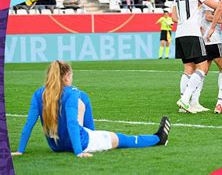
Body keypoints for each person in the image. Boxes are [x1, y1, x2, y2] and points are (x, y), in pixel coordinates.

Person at [11, 61, 170, 158]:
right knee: (122, 139)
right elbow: (72, 123)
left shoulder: (39, 93)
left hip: (56, 146)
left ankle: (91, 132)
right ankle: (158, 138)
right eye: (71, 75)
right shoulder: (71, 92)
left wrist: (20, 150)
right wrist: (79, 151)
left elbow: (28, 124)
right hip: (81, 143)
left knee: (83, 98)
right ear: (66, 77)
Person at [174, 0, 219, 114]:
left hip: (180, 33)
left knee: (188, 69)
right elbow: (215, 5)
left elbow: (174, 16)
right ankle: (185, 100)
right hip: (192, 33)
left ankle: (189, 104)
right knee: (203, 67)